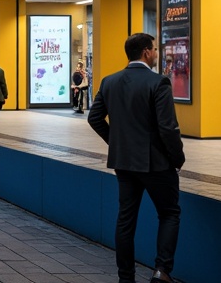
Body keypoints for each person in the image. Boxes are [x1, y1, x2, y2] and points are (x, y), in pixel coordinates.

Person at [88, 33, 185, 283]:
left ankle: (126, 278)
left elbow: (94, 118)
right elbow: (168, 127)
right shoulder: (158, 82)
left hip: (124, 163)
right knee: (169, 213)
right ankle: (161, 271)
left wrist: (118, 143)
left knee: (126, 219)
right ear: (145, 52)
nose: (156, 53)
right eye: (154, 49)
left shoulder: (109, 82)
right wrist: (177, 157)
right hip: (157, 164)